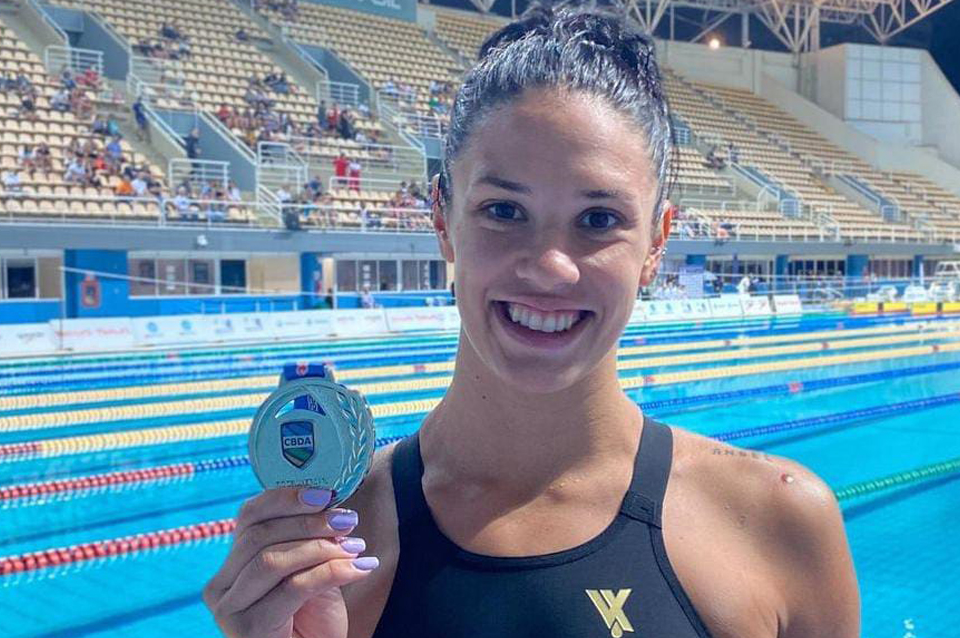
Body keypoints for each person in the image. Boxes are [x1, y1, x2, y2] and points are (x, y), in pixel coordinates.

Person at [203, 5, 860, 638]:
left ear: (657, 242)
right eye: (503, 211)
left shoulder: (776, 523)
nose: (550, 268)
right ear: (443, 218)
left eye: (598, 220)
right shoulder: (333, 550)